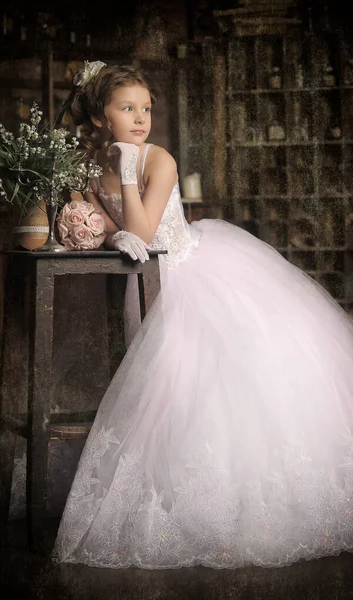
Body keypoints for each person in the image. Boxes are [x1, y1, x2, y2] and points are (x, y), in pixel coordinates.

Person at [52, 61, 353, 569]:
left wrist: (127, 175)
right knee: (163, 397)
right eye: (127, 108)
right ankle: (174, 496)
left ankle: (234, 507)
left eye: (146, 108)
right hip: (146, 282)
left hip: (195, 275)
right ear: (101, 116)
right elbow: (110, 228)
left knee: (212, 389)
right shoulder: (94, 163)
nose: (141, 118)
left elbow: (143, 234)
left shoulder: (158, 160)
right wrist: (93, 226)